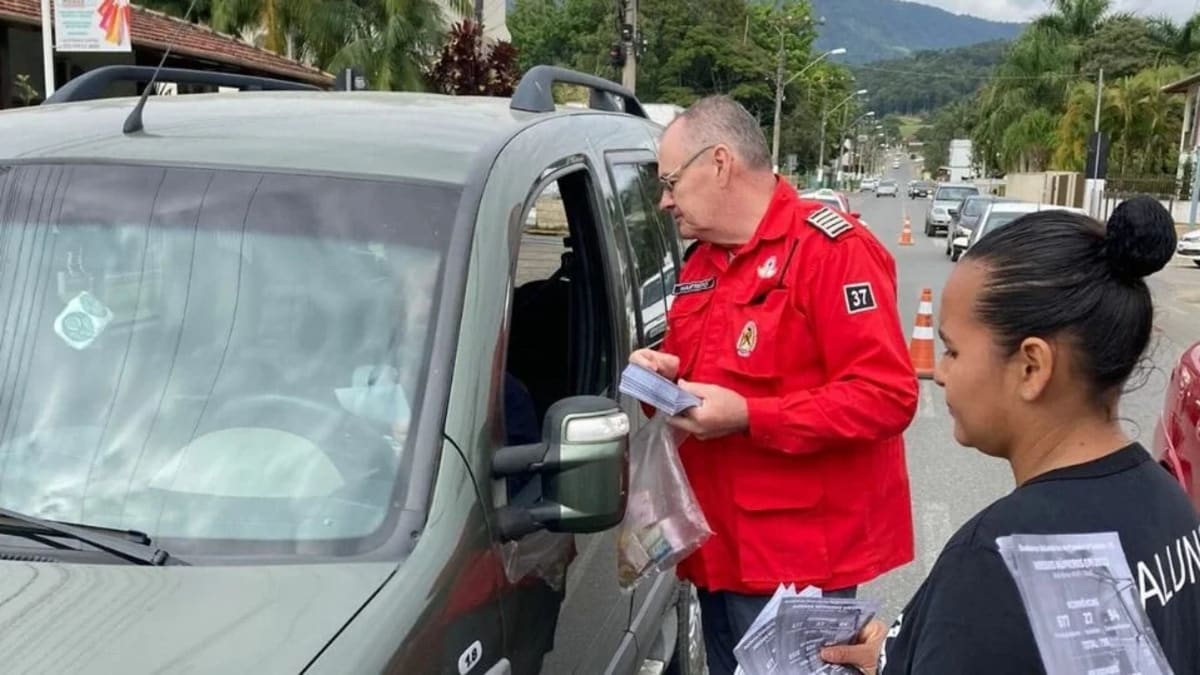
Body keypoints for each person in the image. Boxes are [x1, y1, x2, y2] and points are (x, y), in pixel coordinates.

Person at [820, 197, 1200, 674]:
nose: (939, 373)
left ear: (1031, 367)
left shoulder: (995, 560)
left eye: (953, 351)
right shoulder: (1172, 505)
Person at [629, 95, 919, 675]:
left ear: (719, 163)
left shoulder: (831, 253)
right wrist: (666, 374)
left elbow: (888, 396)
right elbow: (707, 369)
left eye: (670, 182)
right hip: (717, 552)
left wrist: (752, 416)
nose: (664, 201)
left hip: (799, 569)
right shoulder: (703, 263)